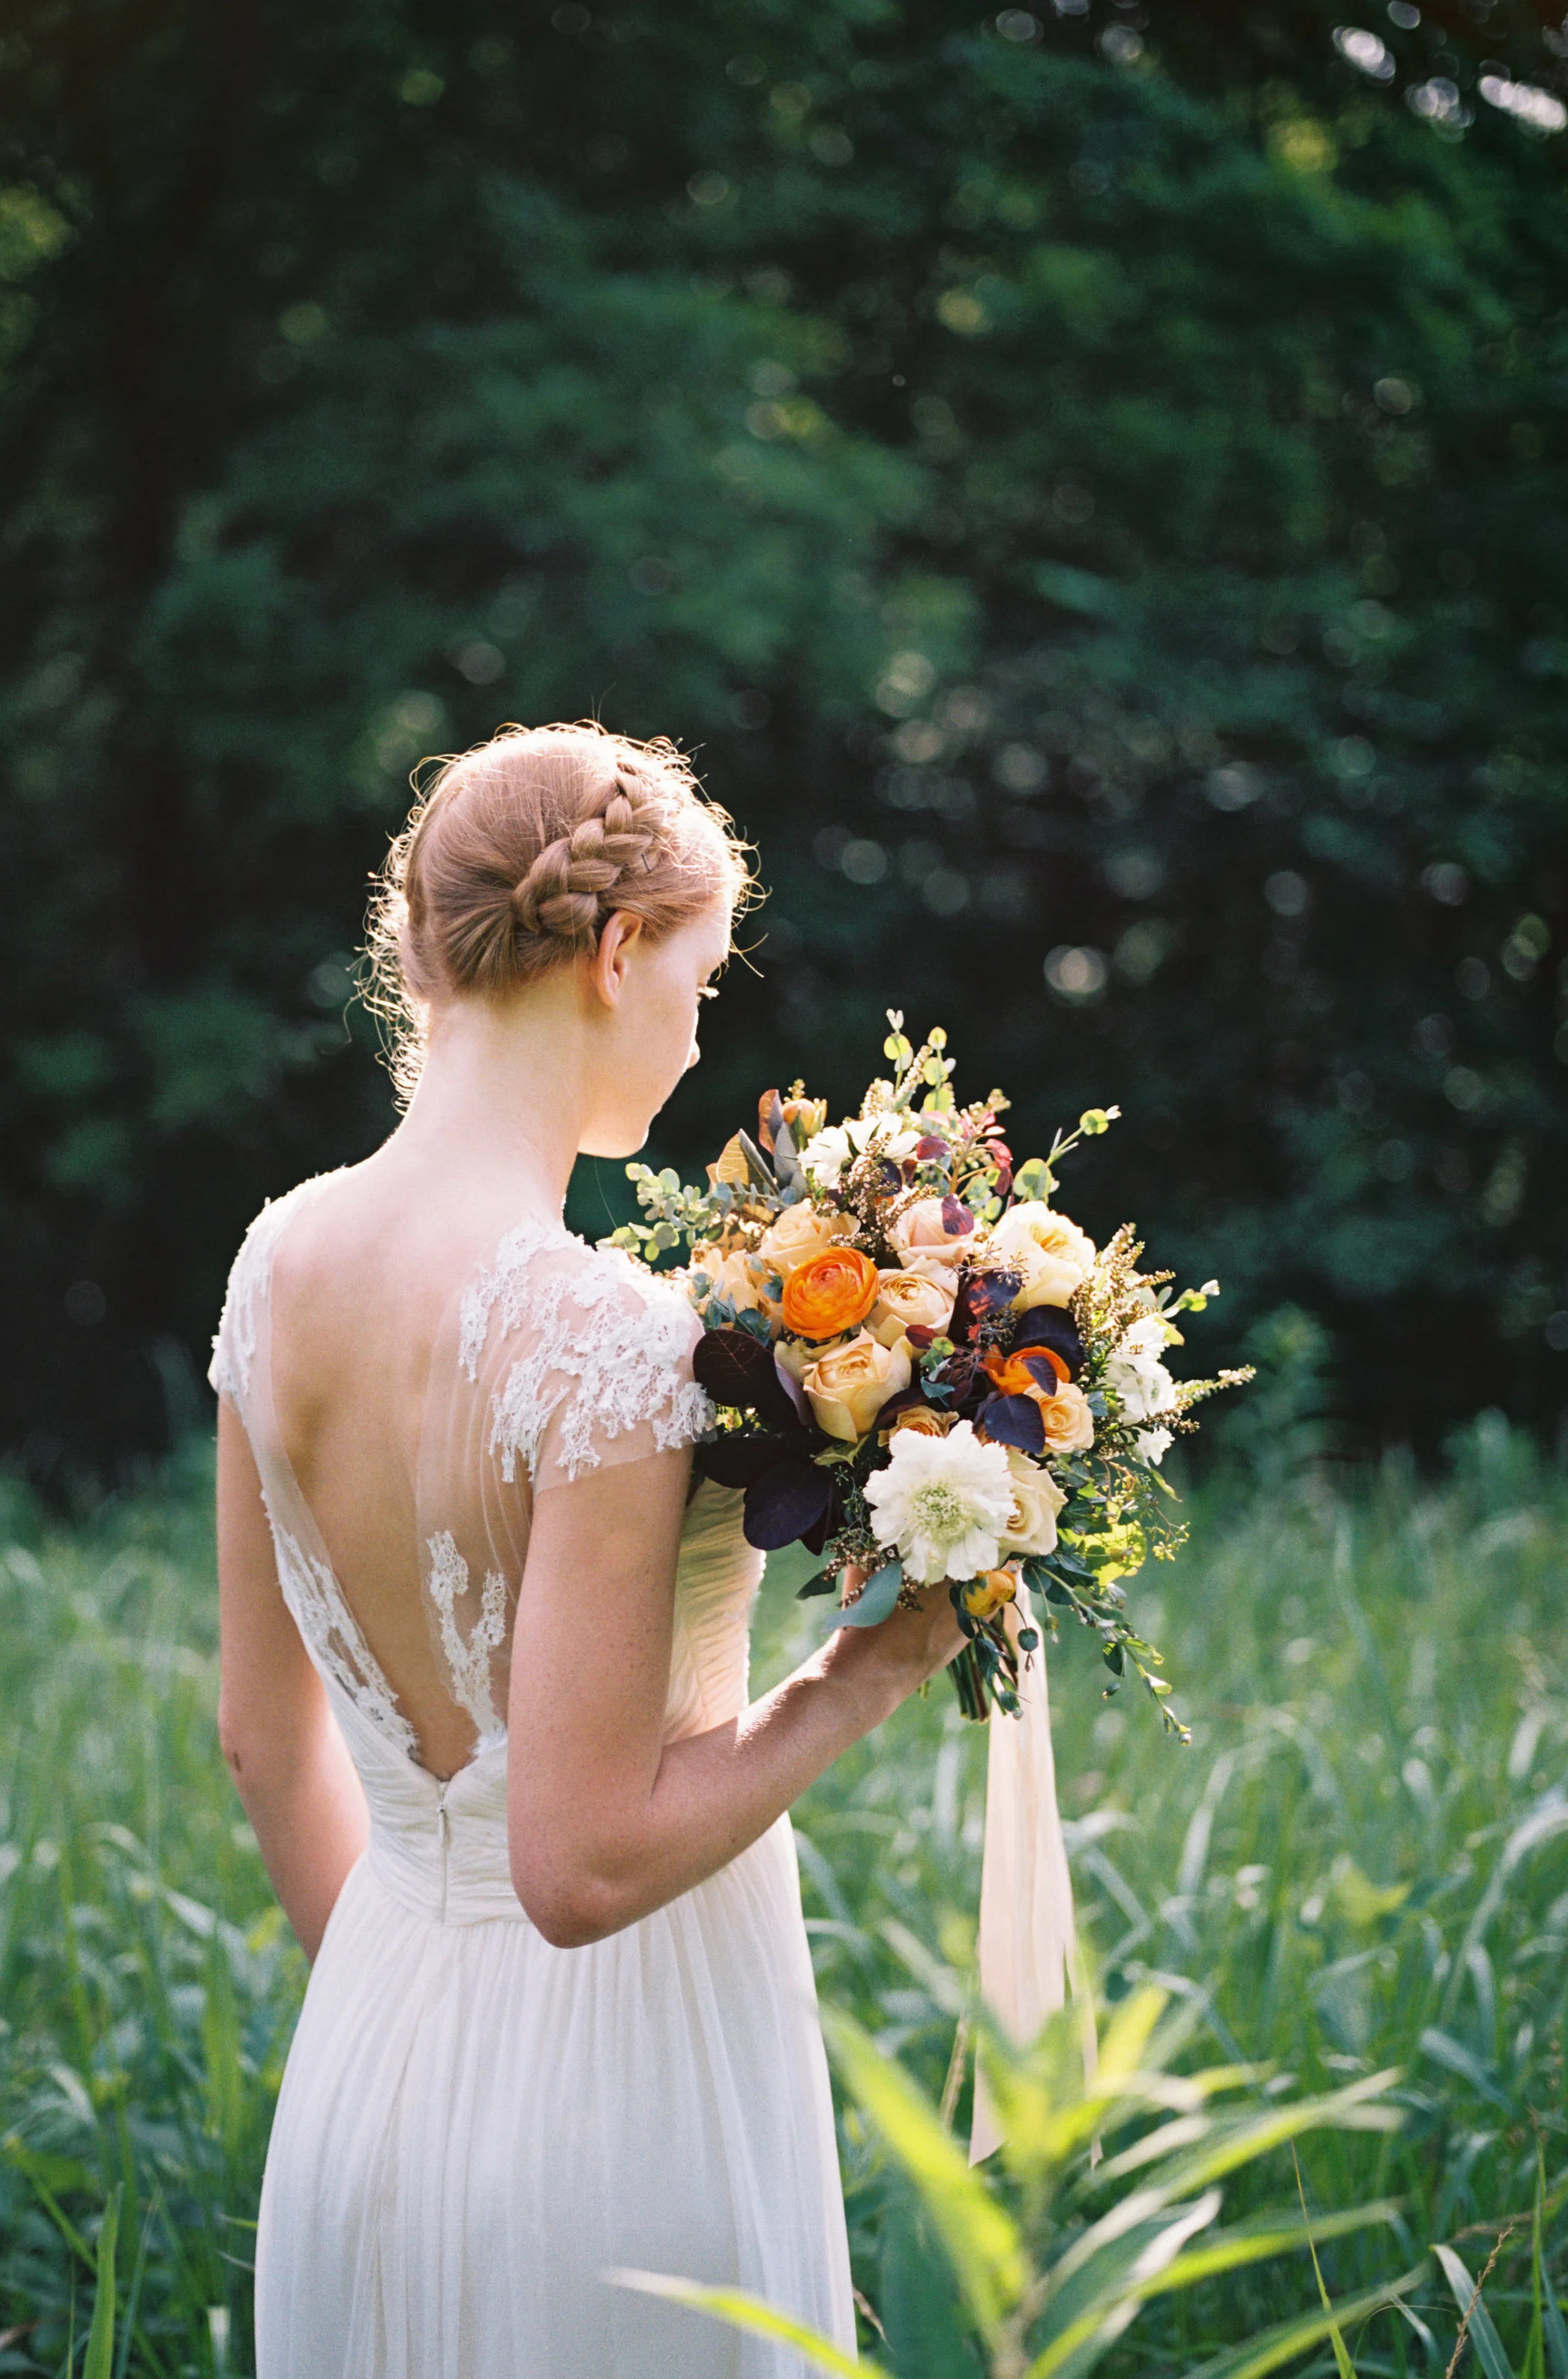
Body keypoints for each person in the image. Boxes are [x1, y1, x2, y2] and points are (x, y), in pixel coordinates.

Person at [211, 722, 967, 2377]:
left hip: (364, 2067)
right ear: (616, 951)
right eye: (698, 979)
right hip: (620, 2102)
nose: (697, 1035)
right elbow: (579, 1872)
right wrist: (865, 1674)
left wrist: (409, 2014)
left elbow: (260, 1739)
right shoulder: (605, 1335)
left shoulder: (271, 1265)